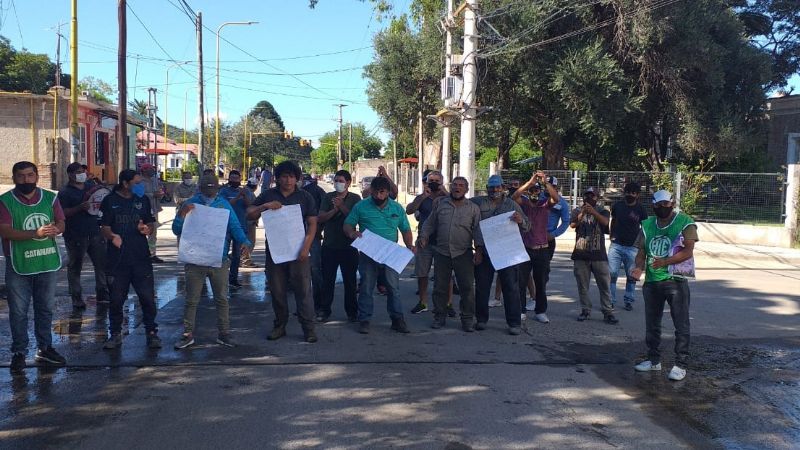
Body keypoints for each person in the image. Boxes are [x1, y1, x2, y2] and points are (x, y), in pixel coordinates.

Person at [0, 161, 67, 373]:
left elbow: (61, 221)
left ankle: (45, 348)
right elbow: (5, 232)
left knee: (45, 309)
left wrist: (57, 228)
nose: (26, 180)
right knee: (19, 312)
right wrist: (34, 234)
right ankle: (19, 352)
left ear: (37, 176)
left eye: (30, 175)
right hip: (19, 263)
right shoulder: (5, 201)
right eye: (21, 176)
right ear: (14, 178)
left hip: (46, 261)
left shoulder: (50, 197)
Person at [172, 174, 252, 349]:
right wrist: (182, 215)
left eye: (212, 189)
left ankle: (224, 334)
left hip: (219, 259)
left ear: (217, 189)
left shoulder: (223, 205)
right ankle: (187, 335)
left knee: (221, 299)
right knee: (191, 300)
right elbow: (176, 230)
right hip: (194, 260)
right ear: (200, 188)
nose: (209, 193)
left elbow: (235, 226)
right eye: (206, 189)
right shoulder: (190, 204)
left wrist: (245, 241)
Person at [246, 160, 318, 343]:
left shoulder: (305, 197)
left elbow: (312, 224)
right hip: (276, 252)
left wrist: (306, 248)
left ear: (297, 178)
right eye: (284, 176)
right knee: (277, 291)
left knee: (304, 292)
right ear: (277, 178)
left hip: (299, 252)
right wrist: (265, 206)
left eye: (292, 176)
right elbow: (249, 213)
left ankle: (308, 329)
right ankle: (280, 326)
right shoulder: (268, 195)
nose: (288, 180)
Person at [631, 190, 698, 381]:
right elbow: (642, 252)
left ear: (672, 203)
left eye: (666, 205)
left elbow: (688, 251)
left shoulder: (685, 222)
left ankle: (681, 364)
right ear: (653, 205)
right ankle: (653, 361)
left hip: (674, 281)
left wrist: (665, 262)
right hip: (652, 282)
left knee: (681, 323)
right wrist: (638, 268)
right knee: (652, 324)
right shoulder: (647, 224)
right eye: (658, 205)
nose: (663, 208)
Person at [343, 176, 414, 335]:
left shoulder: (396, 208)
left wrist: (409, 245)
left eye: (382, 192)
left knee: (393, 288)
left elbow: (405, 229)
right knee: (367, 287)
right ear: (371, 191)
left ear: (388, 192)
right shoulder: (361, 206)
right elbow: (348, 224)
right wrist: (352, 233)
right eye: (375, 192)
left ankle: (397, 320)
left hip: (390, 253)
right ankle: (365, 320)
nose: (378, 196)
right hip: (369, 252)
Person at [100, 169, 162, 350]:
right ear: (125, 183)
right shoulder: (110, 201)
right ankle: (116, 334)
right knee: (117, 299)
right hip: (118, 260)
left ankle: (152, 333)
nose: (140, 186)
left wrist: (147, 229)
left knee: (147, 298)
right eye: (137, 183)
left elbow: (149, 222)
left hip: (140, 257)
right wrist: (112, 237)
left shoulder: (142, 200)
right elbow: (104, 226)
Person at [418, 177, 483, 332]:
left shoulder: (473, 208)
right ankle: (439, 316)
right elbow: (430, 223)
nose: (457, 188)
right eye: (455, 185)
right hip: (442, 252)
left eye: (461, 186)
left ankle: (467, 319)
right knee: (440, 287)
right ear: (451, 187)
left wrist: (479, 250)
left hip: (464, 253)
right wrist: (424, 236)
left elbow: (477, 230)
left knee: (467, 288)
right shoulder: (441, 205)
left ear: (467, 189)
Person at [472, 175, 528, 335]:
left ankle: (514, 323)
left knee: (511, 287)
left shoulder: (512, 204)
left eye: (497, 187)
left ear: (503, 188)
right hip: (484, 252)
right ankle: (481, 320)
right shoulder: (477, 202)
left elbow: (527, 225)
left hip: (507, 253)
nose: (494, 190)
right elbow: (460, 202)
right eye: (491, 187)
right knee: (482, 287)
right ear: (486, 188)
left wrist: (520, 221)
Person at [510, 171, 561, 325]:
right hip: (525, 248)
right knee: (521, 281)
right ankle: (521, 310)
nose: (534, 193)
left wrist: (546, 182)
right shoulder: (524, 203)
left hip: (542, 249)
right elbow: (514, 198)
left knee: (541, 282)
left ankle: (540, 310)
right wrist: (530, 182)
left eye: (536, 190)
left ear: (541, 192)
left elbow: (556, 198)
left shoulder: (545, 204)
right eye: (532, 191)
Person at [58, 162, 110, 309]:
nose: (82, 174)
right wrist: (79, 208)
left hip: (95, 232)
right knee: (75, 267)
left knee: (101, 264)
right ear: (70, 174)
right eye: (79, 172)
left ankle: (103, 294)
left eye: (83, 171)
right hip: (75, 234)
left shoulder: (90, 187)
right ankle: (76, 297)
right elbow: (62, 213)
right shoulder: (65, 192)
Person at [316, 170, 361, 322]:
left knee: (350, 282)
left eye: (341, 181)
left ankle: (352, 312)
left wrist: (341, 206)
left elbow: (355, 218)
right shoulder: (328, 197)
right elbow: (320, 217)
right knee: (327, 280)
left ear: (348, 183)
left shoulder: (355, 198)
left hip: (349, 247)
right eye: (336, 180)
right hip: (329, 246)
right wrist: (334, 209)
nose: (337, 183)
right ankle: (324, 310)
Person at [570, 187, 618, 324]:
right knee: (582, 285)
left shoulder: (603, 210)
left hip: (599, 255)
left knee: (604, 285)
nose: (590, 198)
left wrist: (593, 212)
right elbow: (573, 225)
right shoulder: (577, 210)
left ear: (597, 198)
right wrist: (582, 214)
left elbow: (605, 222)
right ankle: (585, 309)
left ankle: (608, 312)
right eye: (587, 195)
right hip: (580, 253)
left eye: (593, 196)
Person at [405, 170, 450, 315]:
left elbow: (461, 206)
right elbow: (409, 210)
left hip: (443, 241)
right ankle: (423, 302)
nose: (434, 183)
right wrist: (424, 196)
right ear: (426, 181)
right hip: (424, 242)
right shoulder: (423, 197)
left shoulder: (448, 198)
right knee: (422, 273)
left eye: (437, 181)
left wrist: (446, 192)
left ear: (442, 182)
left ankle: (448, 303)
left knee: (445, 275)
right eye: (432, 181)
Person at [609, 182, 648, 311]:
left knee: (631, 275)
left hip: (633, 247)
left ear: (637, 195)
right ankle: (610, 300)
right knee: (612, 273)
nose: (630, 195)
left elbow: (645, 227)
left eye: (633, 193)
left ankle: (629, 300)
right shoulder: (618, 206)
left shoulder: (641, 209)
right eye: (628, 192)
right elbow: (613, 220)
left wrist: (641, 243)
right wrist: (611, 235)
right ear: (624, 193)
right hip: (616, 245)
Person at [218, 170, 255, 289]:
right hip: (226, 226)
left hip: (241, 227)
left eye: (236, 178)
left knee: (237, 255)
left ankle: (233, 279)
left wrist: (244, 196)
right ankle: (220, 278)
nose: (234, 181)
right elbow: (225, 205)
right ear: (229, 179)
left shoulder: (246, 191)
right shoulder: (224, 191)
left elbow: (249, 205)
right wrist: (238, 196)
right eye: (232, 178)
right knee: (222, 254)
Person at [302, 173, 327, 312]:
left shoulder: (317, 192)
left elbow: (323, 214)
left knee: (315, 271)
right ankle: (306, 304)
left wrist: (317, 230)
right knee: (301, 272)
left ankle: (318, 304)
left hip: (313, 238)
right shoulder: (292, 192)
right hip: (297, 237)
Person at [139, 163, 164, 263]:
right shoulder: (139, 181)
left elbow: (158, 192)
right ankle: (141, 254)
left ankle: (152, 254)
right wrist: (153, 194)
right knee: (141, 233)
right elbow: (139, 194)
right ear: (144, 170)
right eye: (150, 169)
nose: (152, 171)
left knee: (153, 233)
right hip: (142, 210)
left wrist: (160, 194)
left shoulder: (154, 180)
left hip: (154, 209)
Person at [240, 178, 259, 268]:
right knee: (250, 242)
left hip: (243, 220)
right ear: (255, 186)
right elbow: (252, 207)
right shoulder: (250, 194)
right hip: (249, 222)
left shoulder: (244, 191)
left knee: (245, 241)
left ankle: (240, 258)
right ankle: (245, 260)